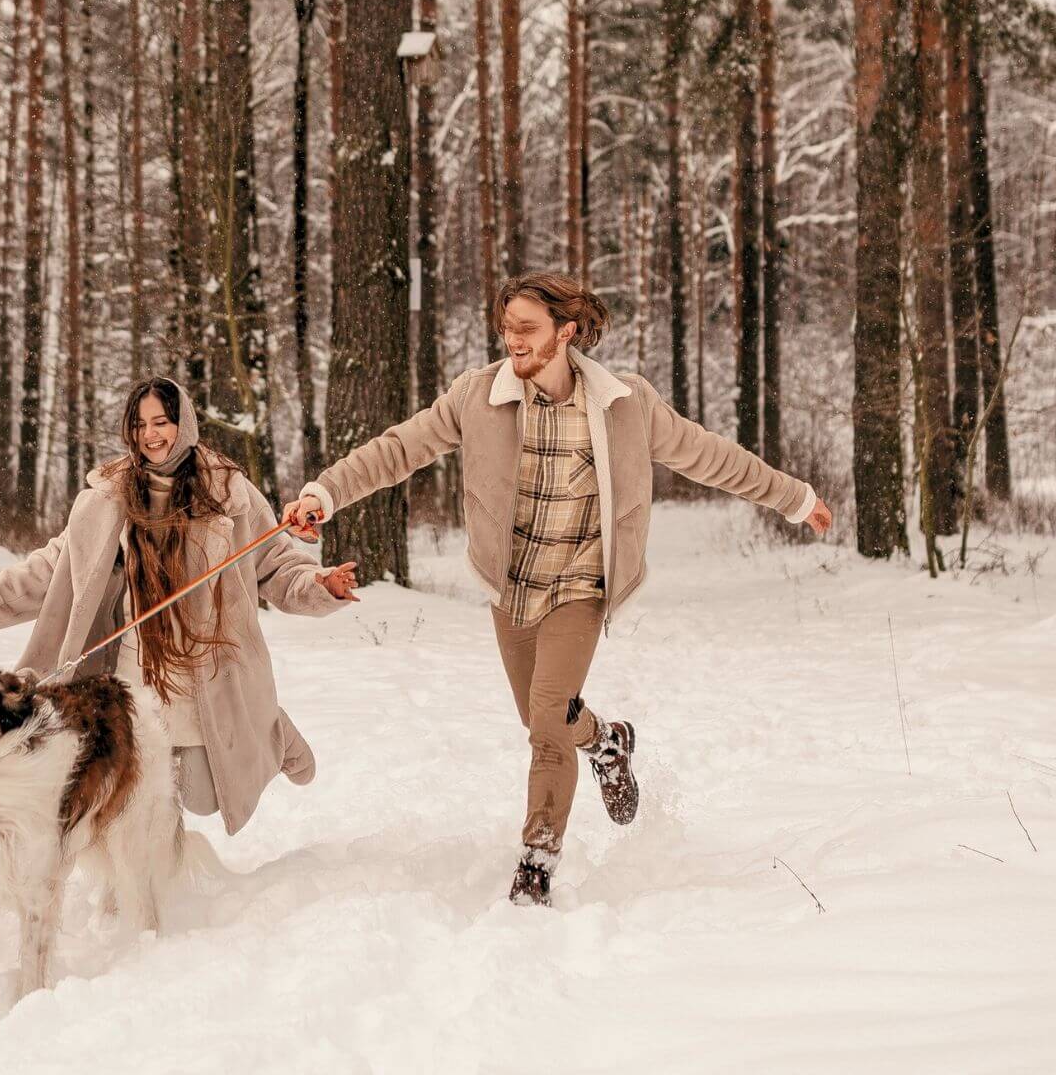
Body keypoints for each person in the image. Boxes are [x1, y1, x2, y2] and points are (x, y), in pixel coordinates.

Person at [282, 272, 832, 906]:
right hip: (512, 586)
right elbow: (398, 449)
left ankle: (537, 861)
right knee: (545, 717)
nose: (512, 341)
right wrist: (324, 493)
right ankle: (605, 739)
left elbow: (710, 456)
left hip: (580, 583)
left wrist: (795, 498)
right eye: (507, 328)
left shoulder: (626, 404)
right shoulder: (477, 397)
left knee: (546, 720)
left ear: (566, 333)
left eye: (527, 328)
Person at [0, 377, 360, 834]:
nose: (151, 435)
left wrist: (320, 584)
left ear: (183, 424)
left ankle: (265, 724)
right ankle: (157, 869)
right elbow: (57, 564)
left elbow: (274, 564)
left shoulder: (229, 492)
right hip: (134, 668)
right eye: (140, 425)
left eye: (162, 422)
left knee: (201, 795)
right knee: (138, 788)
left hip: (206, 668)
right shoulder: (107, 497)